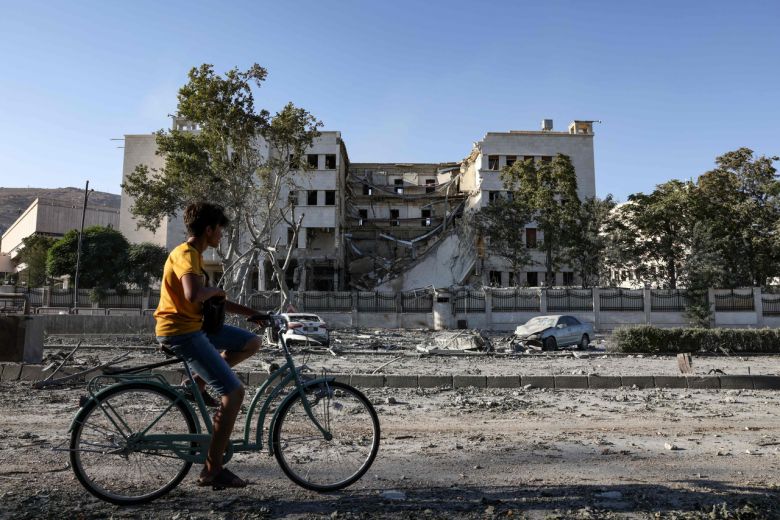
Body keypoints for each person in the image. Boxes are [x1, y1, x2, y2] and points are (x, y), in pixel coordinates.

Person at [154, 202, 267, 489]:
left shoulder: (194, 256)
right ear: (208, 229)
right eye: (219, 229)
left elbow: (213, 301)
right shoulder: (186, 254)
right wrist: (215, 289)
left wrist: (253, 314)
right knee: (234, 393)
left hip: (194, 326)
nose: (221, 235)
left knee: (251, 341)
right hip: (180, 332)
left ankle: (197, 383)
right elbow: (194, 295)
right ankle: (212, 469)